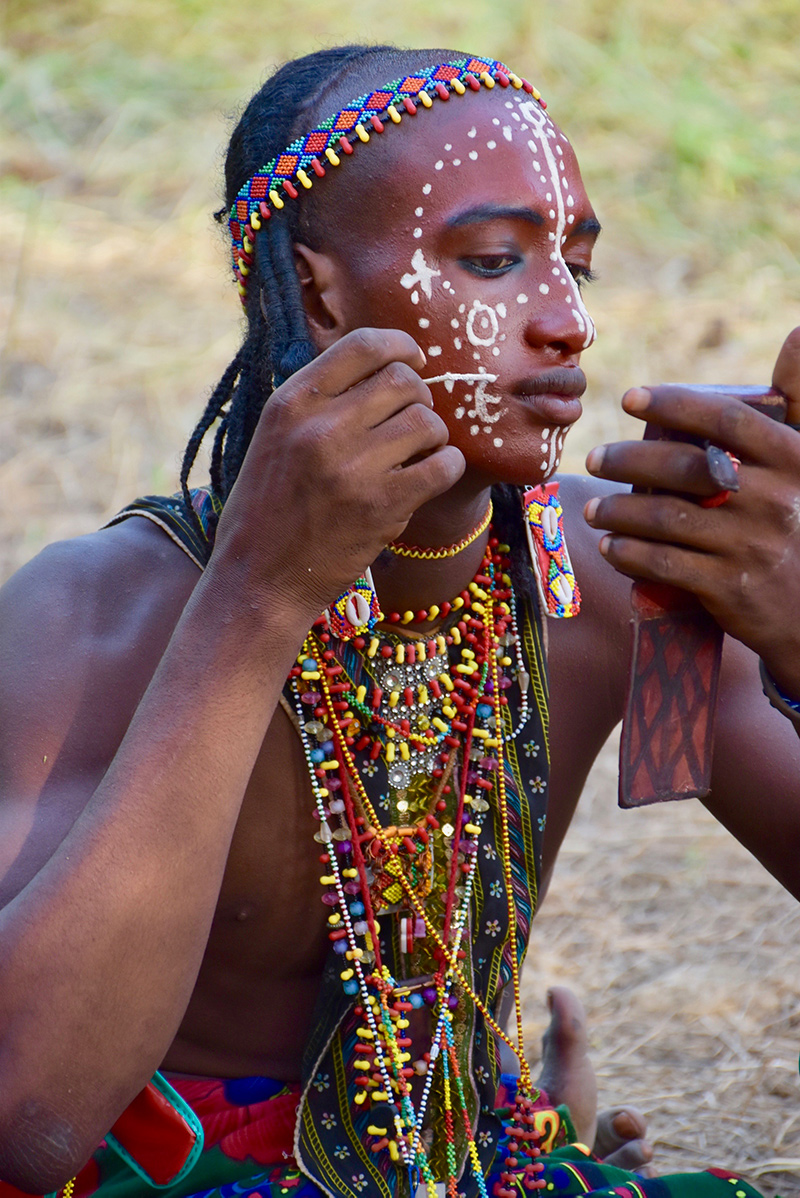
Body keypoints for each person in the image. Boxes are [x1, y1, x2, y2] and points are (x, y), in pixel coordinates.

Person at [0, 42, 798, 1198]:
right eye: (491, 261)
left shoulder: (620, 581)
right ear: (320, 292)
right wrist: (258, 603)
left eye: (575, 265)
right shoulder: (91, 620)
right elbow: (27, 1126)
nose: (566, 322)